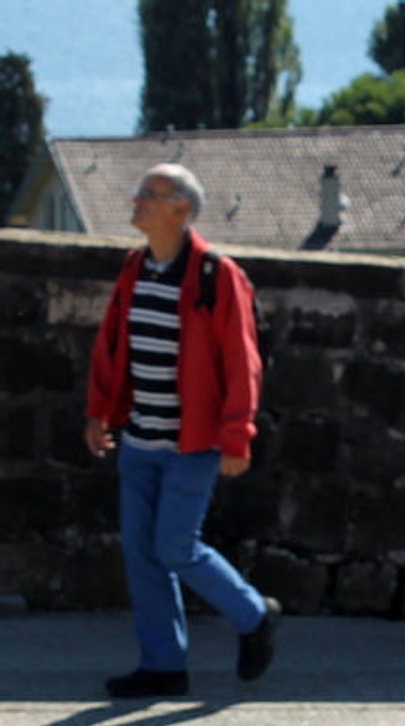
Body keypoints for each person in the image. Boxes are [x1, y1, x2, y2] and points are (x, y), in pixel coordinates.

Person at [83, 163, 278, 698]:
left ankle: (254, 613)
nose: (137, 200)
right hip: (140, 439)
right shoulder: (135, 268)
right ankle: (163, 665)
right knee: (141, 554)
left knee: (173, 546)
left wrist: (237, 435)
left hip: (193, 443)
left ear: (181, 211)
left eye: (151, 193)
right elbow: (113, 345)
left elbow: (243, 360)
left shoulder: (217, 275)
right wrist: (99, 411)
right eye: (140, 190)